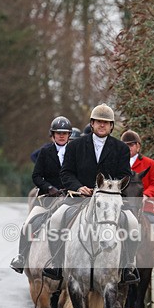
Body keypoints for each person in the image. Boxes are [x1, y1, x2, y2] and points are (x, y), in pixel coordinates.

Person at [42, 103, 140, 283]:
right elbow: (66, 173)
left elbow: (125, 175)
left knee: (132, 223)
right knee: (55, 219)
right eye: (98, 121)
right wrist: (79, 187)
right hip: (80, 198)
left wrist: (109, 188)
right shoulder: (75, 146)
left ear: (111, 126)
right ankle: (56, 264)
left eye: (106, 122)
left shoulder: (121, 148)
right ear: (92, 124)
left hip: (109, 200)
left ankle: (128, 267)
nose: (102, 125)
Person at [10, 115, 72, 273]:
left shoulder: (76, 152)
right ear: (53, 135)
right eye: (58, 133)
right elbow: (36, 176)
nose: (61, 136)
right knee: (29, 224)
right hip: (48, 199)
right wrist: (49, 187)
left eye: (64, 133)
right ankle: (21, 257)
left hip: (71, 199)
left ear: (69, 135)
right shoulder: (45, 152)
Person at [121, 129, 154, 270]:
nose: (128, 148)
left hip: (146, 205)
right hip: (124, 205)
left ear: (138, 146)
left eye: (131, 145)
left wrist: (146, 195)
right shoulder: (118, 164)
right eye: (125, 145)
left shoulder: (150, 163)